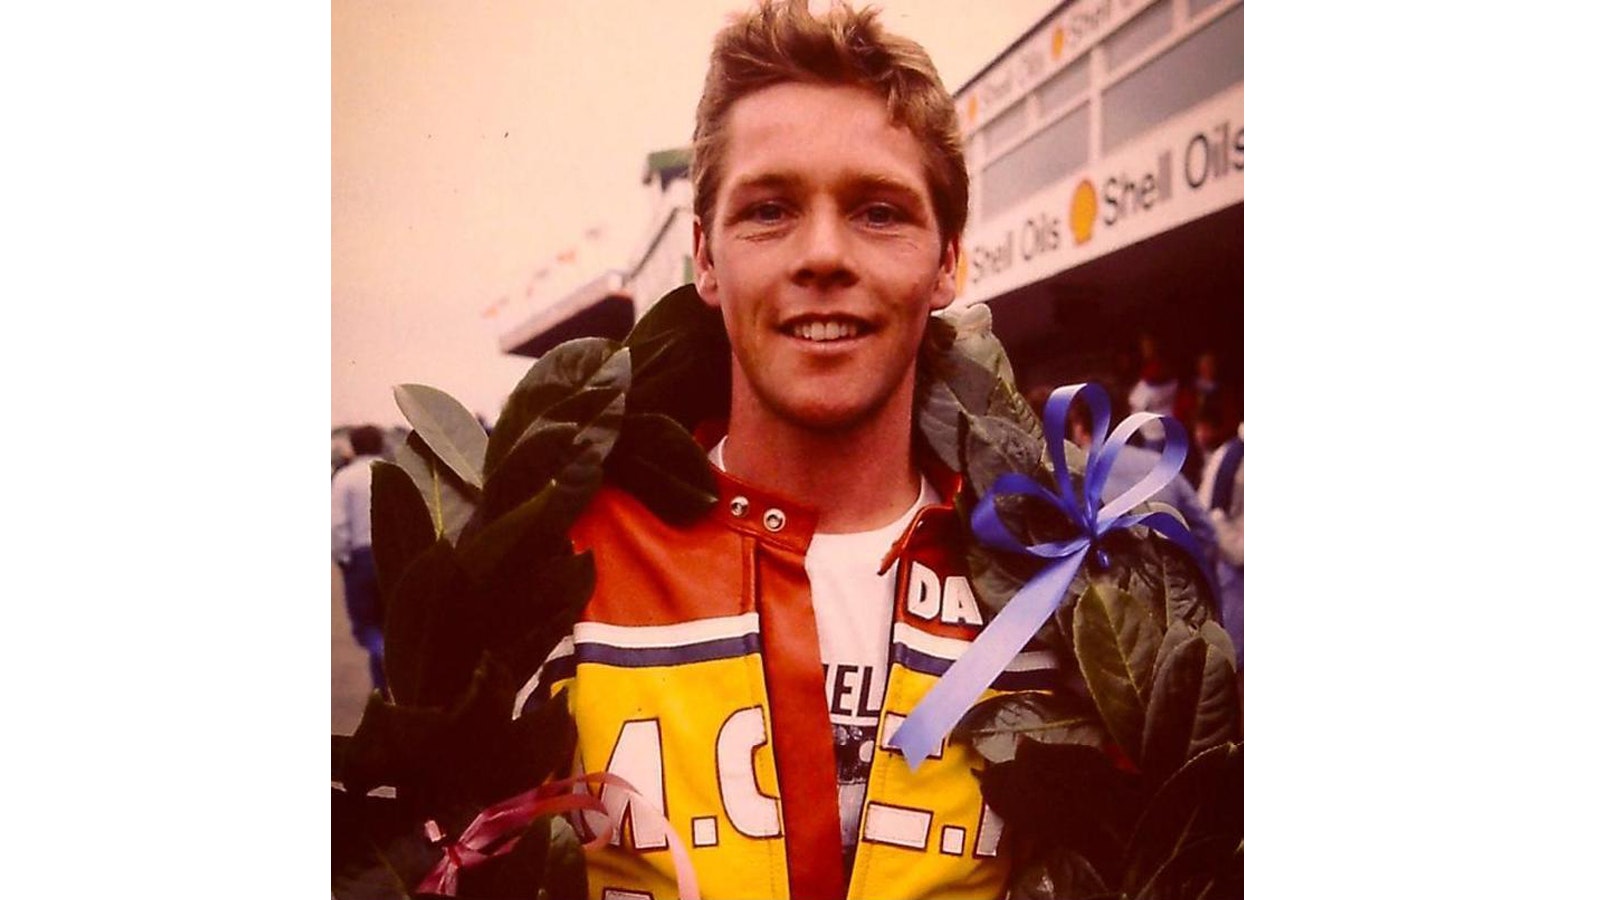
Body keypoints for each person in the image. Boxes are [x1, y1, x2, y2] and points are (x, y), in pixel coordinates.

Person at [521, 3, 1052, 897]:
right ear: (706, 256)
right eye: (769, 210)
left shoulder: (1050, 588)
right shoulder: (560, 567)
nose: (822, 255)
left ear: (949, 259)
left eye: (879, 212)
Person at [1062, 394, 1220, 571]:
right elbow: (1206, 535)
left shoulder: (1067, 478)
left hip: (1101, 590)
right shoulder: (1162, 464)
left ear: (1079, 425)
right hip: (1170, 584)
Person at [332, 424, 387, 695]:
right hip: (392, 553)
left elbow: (337, 525)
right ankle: (389, 685)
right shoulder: (395, 471)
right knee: (392, 622)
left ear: (353, 446)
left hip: (361, 557)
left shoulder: (346, 478)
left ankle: (383, 679)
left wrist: (341, 557)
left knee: (367, 628)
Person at [1196, 415, 1244, 673]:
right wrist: (1238, 554)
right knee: (1233, 655)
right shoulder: (1231, 457)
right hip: (1236, 571)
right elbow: (1211, 512)